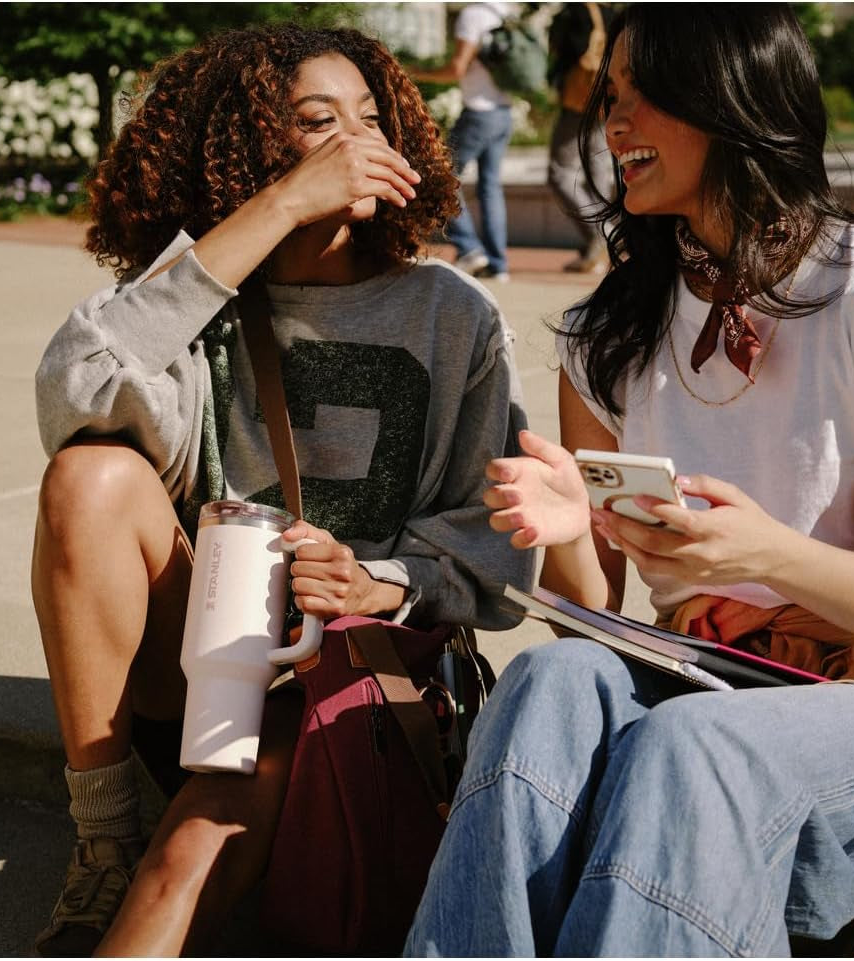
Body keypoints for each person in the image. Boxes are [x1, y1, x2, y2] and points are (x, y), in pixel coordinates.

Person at [406, 5, 854, 956]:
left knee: (683, 748)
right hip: (699, 674)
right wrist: (570, 521)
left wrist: (768, 552)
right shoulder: (602, 336)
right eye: (610, 98)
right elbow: (593, 603)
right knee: (549, 676)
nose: (614, 126)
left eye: (644, 97)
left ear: (732, 100)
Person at [29, 23, 534, 957]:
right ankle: (102, 832)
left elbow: (498, 555)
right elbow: (75, 389)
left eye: (370, 118)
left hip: (349, 680)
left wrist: (376, 581)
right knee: (87, 476)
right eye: (315, 121)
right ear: (254, 147)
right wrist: (276, 211)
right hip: (206, 678)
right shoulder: (198, 299)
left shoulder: (450, 314)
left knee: (185, 864)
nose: (354, 140)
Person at [412, 2, 520, 282]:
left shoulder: (473, 15)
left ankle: (470, 248)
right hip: (504, 112)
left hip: (479, 113)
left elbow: (457, 68)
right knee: (490, 187)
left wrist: (416, 74)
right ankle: (498, 264)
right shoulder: (504, 11)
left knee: (440, 174)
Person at [546, 1, 614, 274]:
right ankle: (599, 249)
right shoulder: (613, 11)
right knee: (599, 170)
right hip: (604, 100)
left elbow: (569, 50)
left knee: (560, 171)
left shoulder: (577, 10)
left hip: (579, 101)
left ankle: (604, 232)